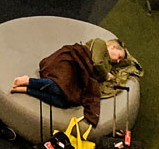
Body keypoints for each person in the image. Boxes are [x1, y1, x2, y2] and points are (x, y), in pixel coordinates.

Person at [9, 38, 141, 126]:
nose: (118, 61)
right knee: (59, 88)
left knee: (66, 101)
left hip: (78, 74)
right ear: (112, 47)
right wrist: (106, 76)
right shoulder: (100, 44)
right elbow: (96, 63)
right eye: (119, 56)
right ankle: (28, 81)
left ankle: (27, 89)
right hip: (71, 61)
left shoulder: (109, 64)